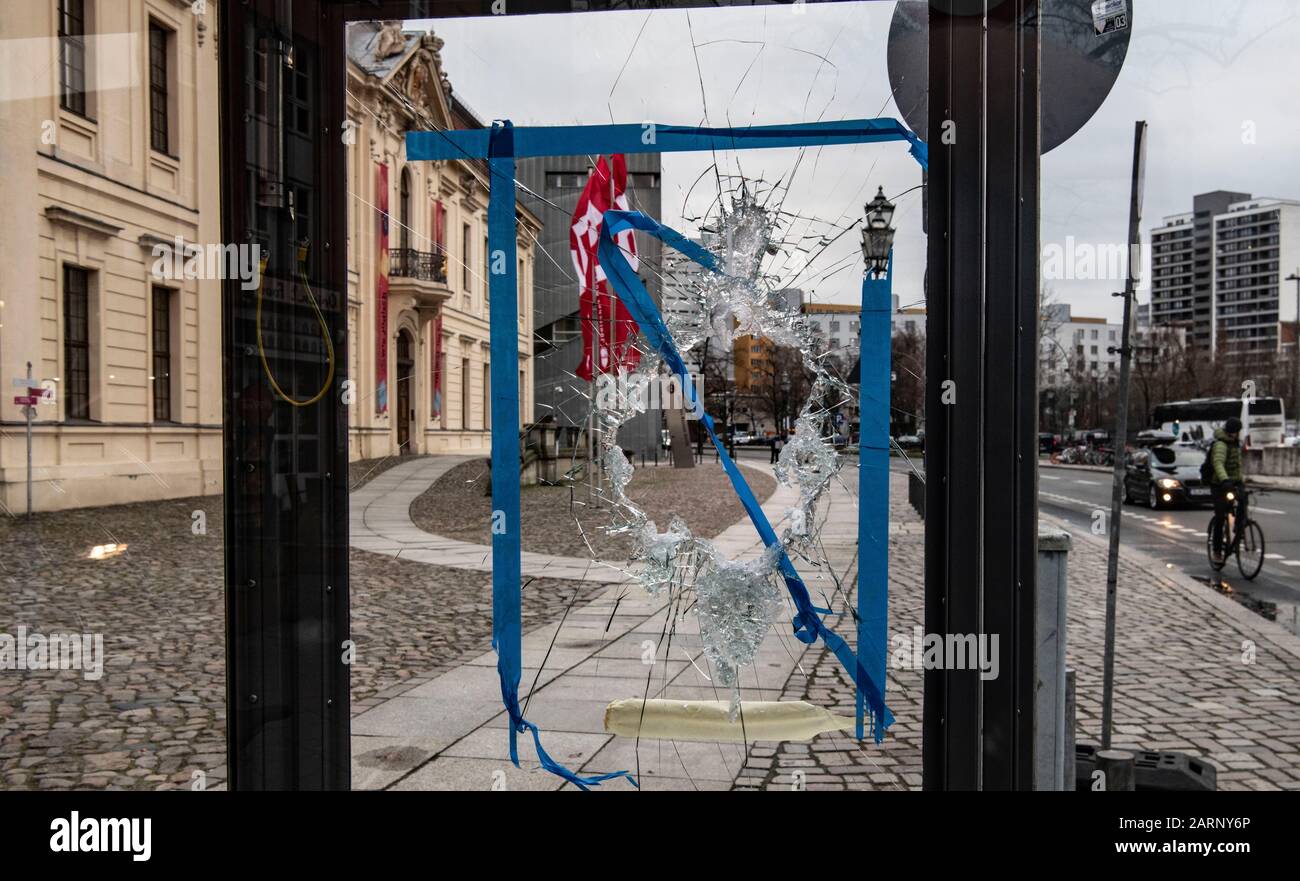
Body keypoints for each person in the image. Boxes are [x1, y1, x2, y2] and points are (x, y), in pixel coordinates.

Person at [1207, 417, 1245, 560]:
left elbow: (1237, 465)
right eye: (1238, 431)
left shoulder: (1236, 444)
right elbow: (1218, 463)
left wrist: (1241, 480)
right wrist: (1225, 479)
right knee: (1221, 515)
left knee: (1243, 500)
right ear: (1233, 432)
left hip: (1234, 481)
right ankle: (1217, 549)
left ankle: (1239, 527)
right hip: (1219, 483)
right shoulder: (1221, 444)